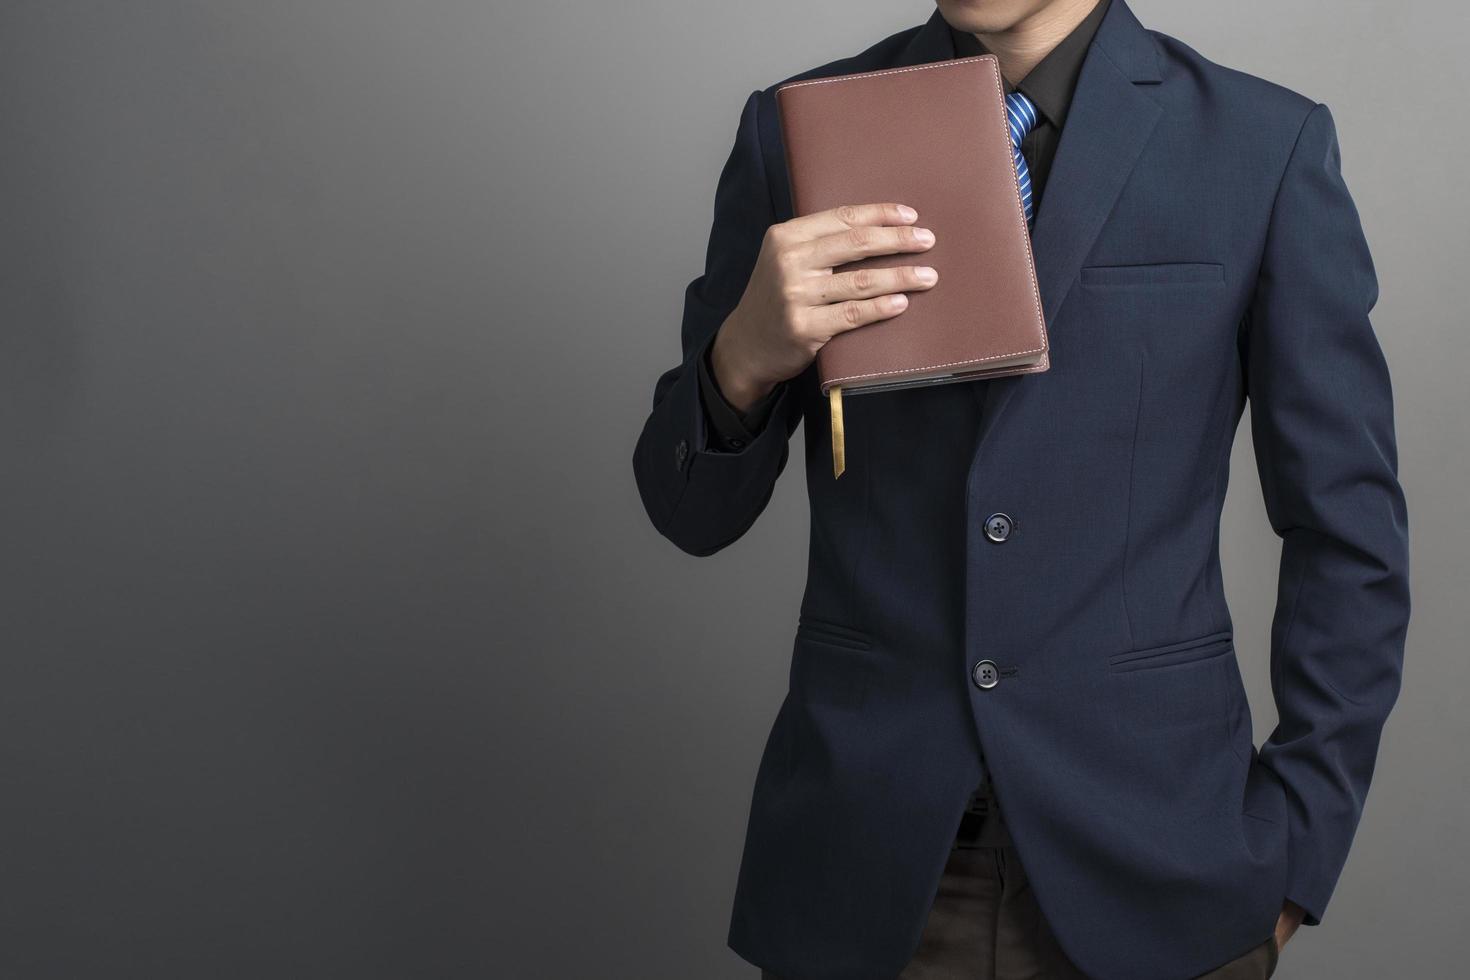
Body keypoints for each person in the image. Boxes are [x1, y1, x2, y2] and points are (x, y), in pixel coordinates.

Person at [630, 0, 1410, 976]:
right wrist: (741, 355)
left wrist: (1299, 844)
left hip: (1164, 863)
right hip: (867, 867)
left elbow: (1351, 533)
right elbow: (688, 513)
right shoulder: (797, 130)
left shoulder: (1263, 146)